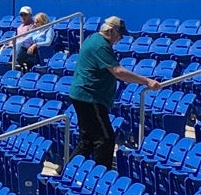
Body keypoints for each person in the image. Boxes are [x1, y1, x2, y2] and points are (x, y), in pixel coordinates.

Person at [66, 16, 160, 169]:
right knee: (105, 139)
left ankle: (69, 171)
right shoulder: (100, 45)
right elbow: (118, 72)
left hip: (82, 95)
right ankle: (101, 176)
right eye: (119, 33)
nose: (120, 37)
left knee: (88, 140)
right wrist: (147, 81)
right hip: (91, 97)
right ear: (110, 30)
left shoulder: (93, 39)